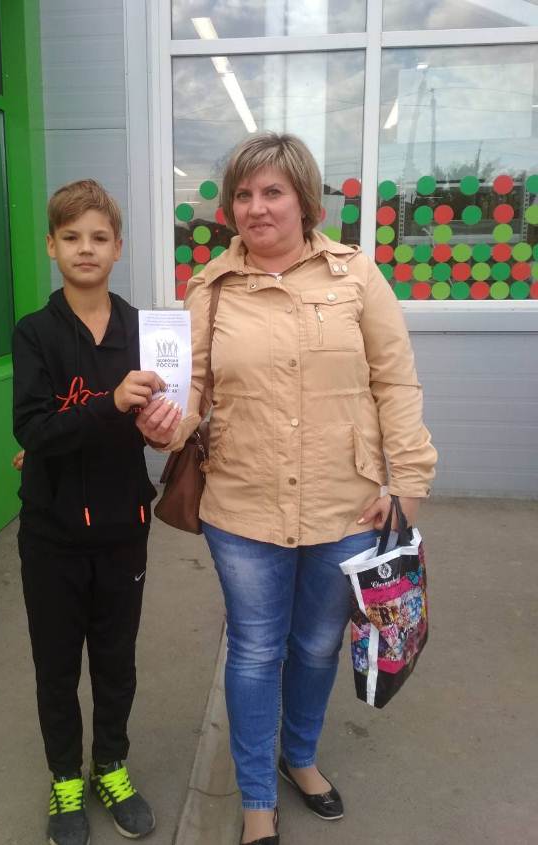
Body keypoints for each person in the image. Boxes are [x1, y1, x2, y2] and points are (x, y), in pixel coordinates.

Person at [137, 133, 437, 845]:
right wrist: (162, 426)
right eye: (242, 194)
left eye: (272, 191)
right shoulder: (211, 287)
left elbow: (396, 383)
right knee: (254, 649)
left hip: (347, 503)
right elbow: (192, 392)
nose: (256, 207)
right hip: (243, 505)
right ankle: (256, 799)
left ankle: (299, 756)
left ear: (304, 199)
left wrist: (409, 481)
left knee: (318, 644)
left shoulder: (356, 276)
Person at [13, 179, 181, 845]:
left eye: (99, 237)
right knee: (56, 664)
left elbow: (166, 422)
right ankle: (64, 778)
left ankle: (110, 764)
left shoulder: (147, 332)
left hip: (122, 529)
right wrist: (108, 404)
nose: (86, 248)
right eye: (72, 236)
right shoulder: (34, 334)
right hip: (51, 534)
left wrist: (164, 428)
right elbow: (33, 430)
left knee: (116, 660)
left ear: (119, 248)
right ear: (51, 246)